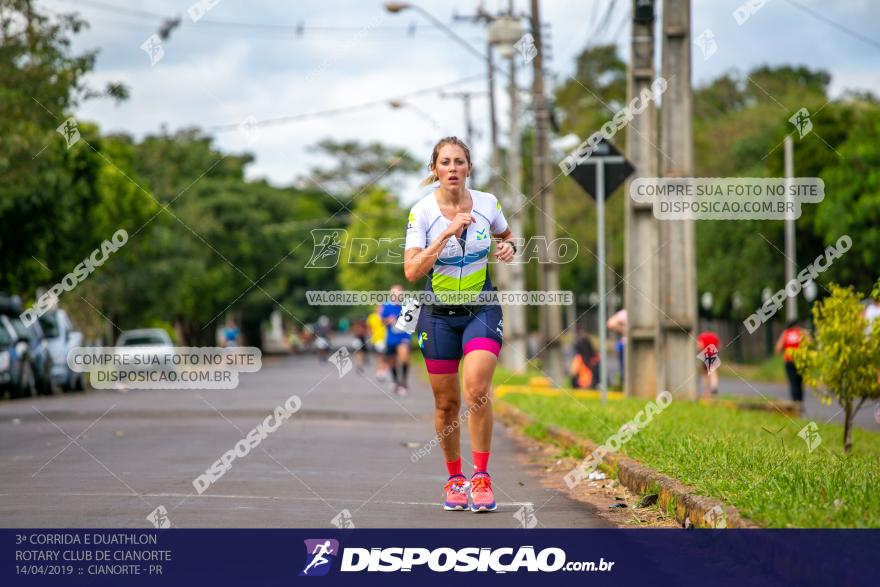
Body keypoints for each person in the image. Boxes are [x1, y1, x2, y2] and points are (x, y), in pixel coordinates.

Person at [404, 136, 516, 513]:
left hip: (481, 307)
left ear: (468, 166)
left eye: (459, 162)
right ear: (434, 170)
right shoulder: (421, 212)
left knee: (477, 389)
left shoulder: (487, 204)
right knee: (446, 403)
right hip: (437, 316)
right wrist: (446, 234)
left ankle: (481, 477)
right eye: (445, 163)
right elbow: (411, 270)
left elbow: (507, 236)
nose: (452, 169)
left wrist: (508, 248)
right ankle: (455, 478)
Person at [381, 285, 412, 396]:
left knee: (404, 358)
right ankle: (396, 381)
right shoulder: (386, 305)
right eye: (394, 293)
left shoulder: (407, 305)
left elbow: (413, 321)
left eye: (399, 292)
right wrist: (388, 319)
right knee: (392, 362)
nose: (396, 295)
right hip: (391, 338)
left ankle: (403, 383)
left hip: (403, 336)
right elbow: (382, 320)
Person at [776, 319, 806, 410]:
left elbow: (778, 348)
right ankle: (800, 402)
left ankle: (794, 402)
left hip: (789, 361)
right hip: (800, 361)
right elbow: (810, 343)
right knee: (800, 381)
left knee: (793, 382)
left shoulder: (785, 334)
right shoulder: (801, 333)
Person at [367, 305, 389, 380]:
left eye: (381, 308)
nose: (380, 309)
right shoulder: (372, 317)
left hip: (387, 338)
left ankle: (384, 369)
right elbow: (369, 327)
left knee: (386, 355)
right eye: (378, 308)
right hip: (377, 339)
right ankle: (379, 370)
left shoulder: (386, 316)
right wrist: (370, 337)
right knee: (379, 355)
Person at [696, 329, 720, 396]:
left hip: (705, 355)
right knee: (713, 370)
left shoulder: (702, 336)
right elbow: (719, 346)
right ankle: (714, 386)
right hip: (713, 354)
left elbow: (700, 346)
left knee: (705, 374)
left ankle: (706, 391)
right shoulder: (715, 336)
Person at [607, 309, 627, 386]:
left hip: (624, 345)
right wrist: (625, 330)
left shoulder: (625, 312)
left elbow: (610, 323)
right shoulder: (625, 313)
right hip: (625, 345)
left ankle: (624, 385)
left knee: (624, 369)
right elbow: (610, 324)